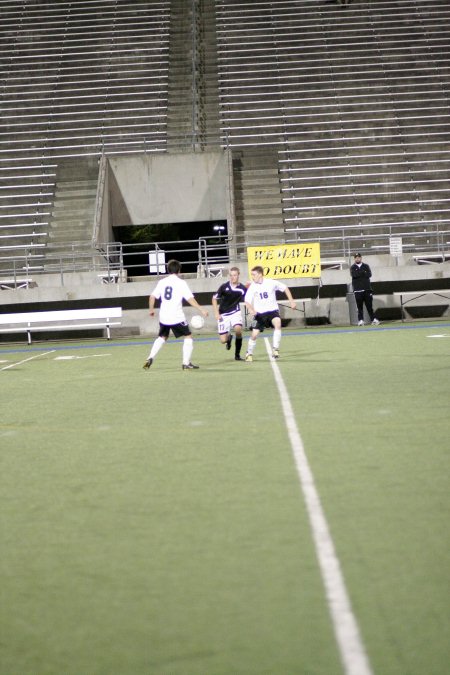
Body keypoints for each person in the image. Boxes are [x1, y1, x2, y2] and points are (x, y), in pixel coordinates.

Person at [143, 259, 208, 370]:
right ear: (179, 270)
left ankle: (150, 357)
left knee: (162, 337)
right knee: (188, 336)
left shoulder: (162, 282)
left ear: (168, 270)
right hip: (176, 317)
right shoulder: (181, 283)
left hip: (164, 317)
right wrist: (201, 309)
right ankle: (186, 363)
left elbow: (152, 297)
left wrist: (151, 309)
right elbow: (190, 298)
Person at [244, 265, 296, 362]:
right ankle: (249, 353)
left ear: (260, 274)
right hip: (259, 314)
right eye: (251, 275)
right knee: (254, 335)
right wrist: (251, 309)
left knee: (278, 323)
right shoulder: (252, 286)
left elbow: (285, 288)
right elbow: (247, 301)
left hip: (272, 311)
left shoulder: (271, 282)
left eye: (254, 275)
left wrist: (291, 301)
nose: (252, 277)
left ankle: (275, 349)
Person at [212, 267, 247, 361]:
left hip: (235, 312)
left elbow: (248, 299)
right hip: (223, 315)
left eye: (235, 275)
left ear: (238, 275)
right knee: (223, 340)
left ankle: (237, 355)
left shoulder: (242, 289)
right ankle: (229, 338)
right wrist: (216, 313)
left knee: (238, 330)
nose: (232, 277)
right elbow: (214, 298)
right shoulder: (224, 286)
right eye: (231, 275)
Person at [350, 253, 380, 326]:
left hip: (367, 289)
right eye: (356, 258)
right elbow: (354, 275)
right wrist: (363, 272)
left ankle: (373, 319)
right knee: (359, 307)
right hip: (358, 290)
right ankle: (360, 320)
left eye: (359, 257)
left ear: (361, 258)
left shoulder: (366, 266)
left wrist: (361, 273)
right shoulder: (353, 267)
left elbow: (369, 275)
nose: (357, 259)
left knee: (369, 306)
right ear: (354, 259)